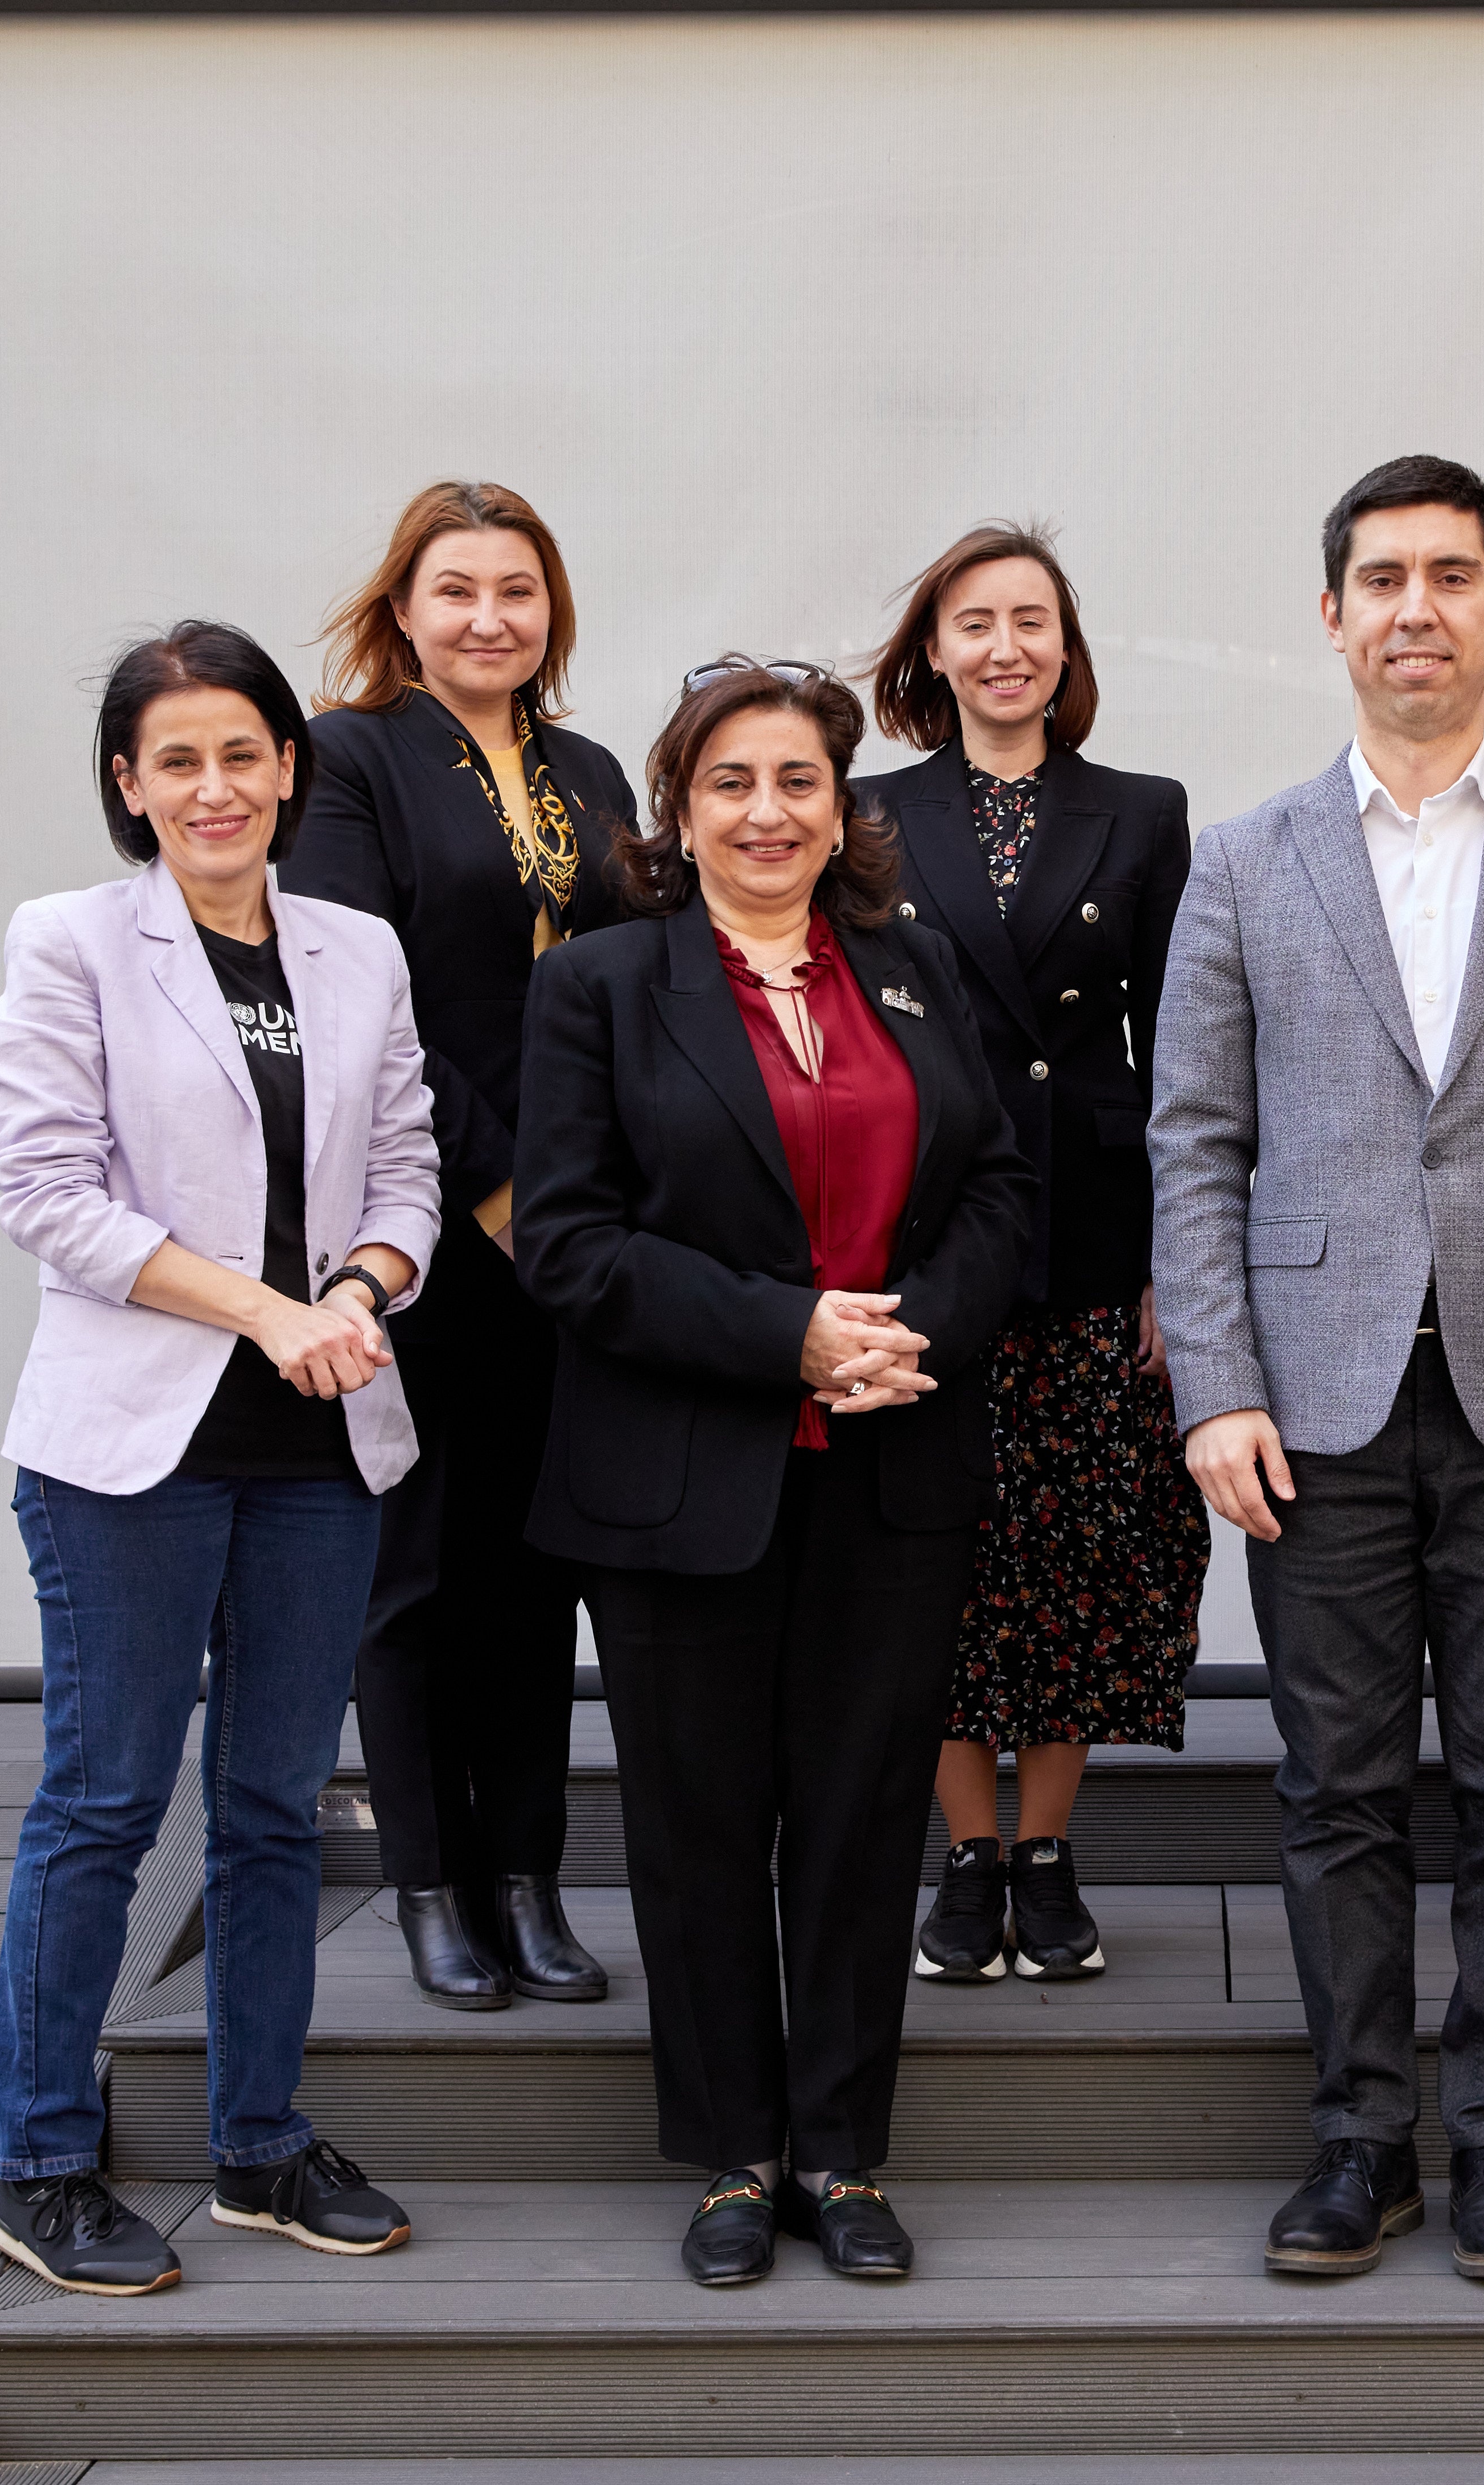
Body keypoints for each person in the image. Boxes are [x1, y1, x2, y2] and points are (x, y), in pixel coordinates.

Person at [1151, 456, 1484, 2285]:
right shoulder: (1239, 861)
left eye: (1449, 576)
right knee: (1333, 1781)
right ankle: (1353, 2137)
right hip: (1308, 1400)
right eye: (1378, 577)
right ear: (1330, 615)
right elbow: (1195, 1142)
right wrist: (1215, 1385)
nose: (1412, 606)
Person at [514, 658, 1033, 2287]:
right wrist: (792, 1334)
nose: (765, 811)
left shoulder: (914, 964)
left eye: (797, 780)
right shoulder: (599, 983)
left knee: (869, 1814)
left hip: (892, 1464)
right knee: (695, 1819)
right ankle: (735, 2155)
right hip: (682, 1474)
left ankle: (840, 2148)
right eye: (730, 781)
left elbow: (1006, 1187)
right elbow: (573, 1244)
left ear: (841, 806)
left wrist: (902, 1335)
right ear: (678, 806)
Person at [0, 621, 438, 2295]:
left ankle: (257, 2140)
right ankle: (39, 2158)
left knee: (266, 1808)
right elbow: (47, 1194)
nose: (215, 785)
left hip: (321, 1443)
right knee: (101, 1802)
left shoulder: (355, 954)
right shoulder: (74, 943)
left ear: (288, 768)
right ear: (129, 783)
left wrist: (366, 1286)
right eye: (177, 758)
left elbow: (405, 1173)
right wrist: (266, 1309)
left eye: (242, 751)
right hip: (133, 1449)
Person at [286, 481, 635, 2011]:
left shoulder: (595, 765)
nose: (490, 616)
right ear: (403, 609)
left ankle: (529, 1880)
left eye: (519, 589)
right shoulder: (349, 758)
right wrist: (497, 1191)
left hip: (578, 1230)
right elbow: (365, 997)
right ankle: (431, 1884)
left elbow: (636, 983)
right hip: (427, 1218)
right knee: (418, 1570)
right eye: (457, 590)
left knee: (537, 1566)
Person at [855, 523, 1203, 1988]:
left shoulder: (1141, 808)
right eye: (974, 621)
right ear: (932, 649)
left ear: (1067, 648)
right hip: (921, 1228)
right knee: (934, 1549)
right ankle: (965, 1851)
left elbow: (1191, 1052)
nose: (1006, 646)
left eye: (1033, 621)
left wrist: (1175, 1265)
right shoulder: (863, 811)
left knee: (1073, 1547)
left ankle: (1046, 1849)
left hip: (1091, 1216)